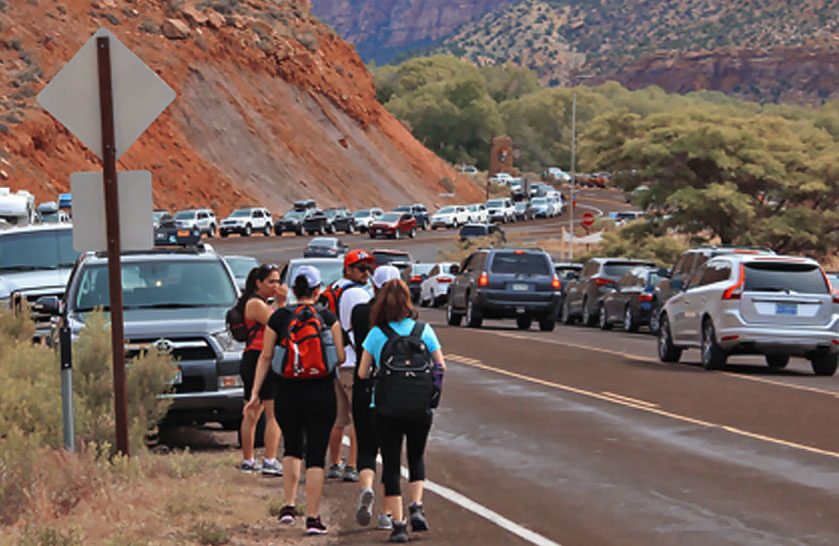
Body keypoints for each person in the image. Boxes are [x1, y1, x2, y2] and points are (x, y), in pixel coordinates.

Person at [246, 266, 346, 535]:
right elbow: (339, 356)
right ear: (317, 289)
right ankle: (312, 518)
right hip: (321, 392)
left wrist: (255, 393)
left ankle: (288, 506)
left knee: (291, 448)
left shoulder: (278, 318)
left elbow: (265, 357)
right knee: (315, 454)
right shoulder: (327, 317)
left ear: (292, 287)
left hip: (287, 392)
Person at [357, 279, 446, 543]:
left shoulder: (377, 334)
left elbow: (362, 372)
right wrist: (432, 392)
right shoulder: (423, 330)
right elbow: (441, 366)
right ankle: (416, 505)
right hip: (420, 406)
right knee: (417, 456)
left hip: (385, 407)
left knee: (392, 463)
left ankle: (397, 524)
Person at [350, 266, 402, 531]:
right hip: (393, 390)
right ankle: (386, 514)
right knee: (391, 455)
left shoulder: (360, 313)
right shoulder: (407, 322)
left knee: (367, 448)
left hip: (365, 385)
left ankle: (366, 486)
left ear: (374, 285)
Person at [325, 249, 375, 482]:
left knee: (339, 418)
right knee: (359, 418)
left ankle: (335, 462)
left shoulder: (335, 289)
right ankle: (353, 465)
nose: (366, 273)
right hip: (355, 362)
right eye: (361, 268)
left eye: (368, 268)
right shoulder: (357, 295)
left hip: (338, 359)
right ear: (348, 269)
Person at [238, 264, 285, 475]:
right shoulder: (255, 304)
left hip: (257, 357)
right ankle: (266, 459)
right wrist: (282, 303)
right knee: (265, 412)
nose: (275, 286)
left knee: (255, 411)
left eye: (277, 281)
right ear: (259, 283)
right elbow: (280, 324)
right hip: (259, 357)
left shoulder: (261, 303)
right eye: (271, 282)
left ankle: (254, 460)